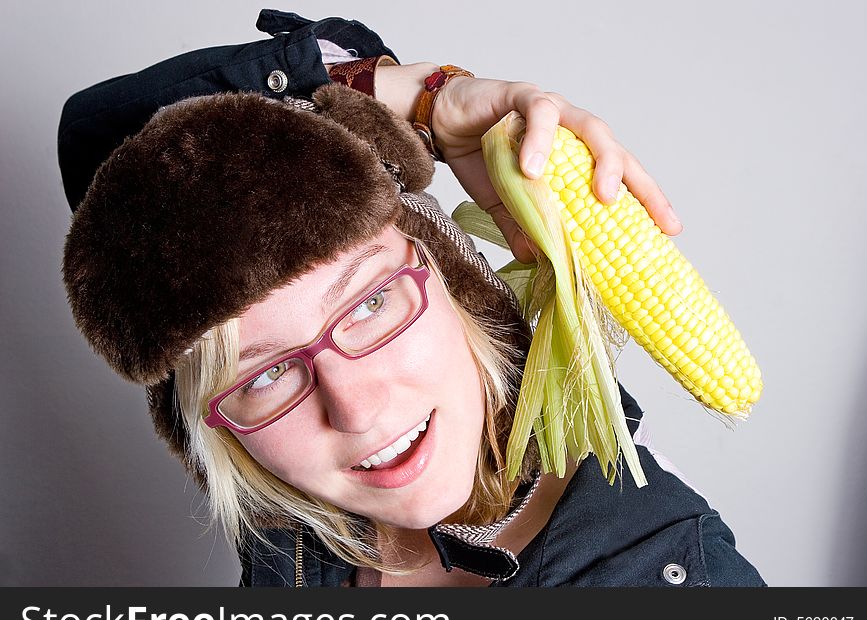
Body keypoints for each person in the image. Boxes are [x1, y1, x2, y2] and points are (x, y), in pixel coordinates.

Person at [59, 10, 764, 587]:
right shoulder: (299, 534)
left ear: (458, 287)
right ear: (214, 431)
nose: (356, 410)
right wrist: (419, 98)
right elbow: (99, 135)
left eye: (369, 303)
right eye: (266, 372)